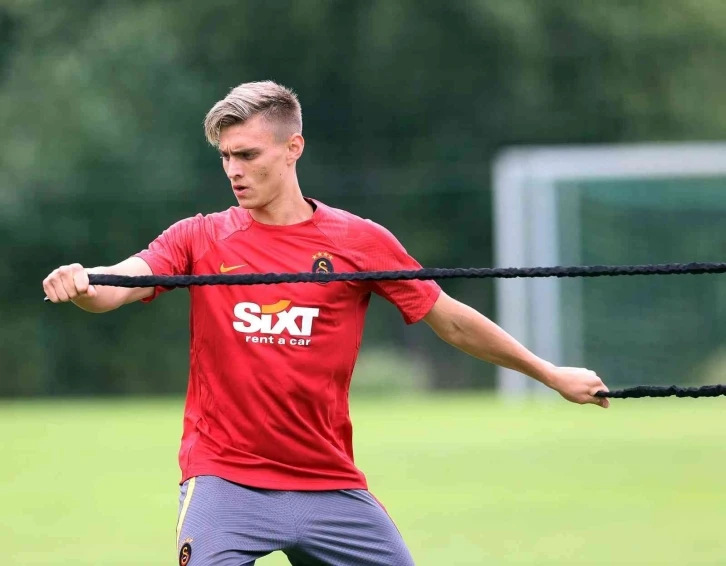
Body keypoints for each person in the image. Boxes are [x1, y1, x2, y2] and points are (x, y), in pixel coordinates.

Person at [42, 80, 609, 566]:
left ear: (293, 148)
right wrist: (86, 283)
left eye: (248, 155)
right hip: (224, 479)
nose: (234, 171)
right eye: (226, 157)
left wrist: (549, 373)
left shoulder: (359, 241)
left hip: (327, 482)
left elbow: (451, 321)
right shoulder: (200, 236)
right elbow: (122, 283)